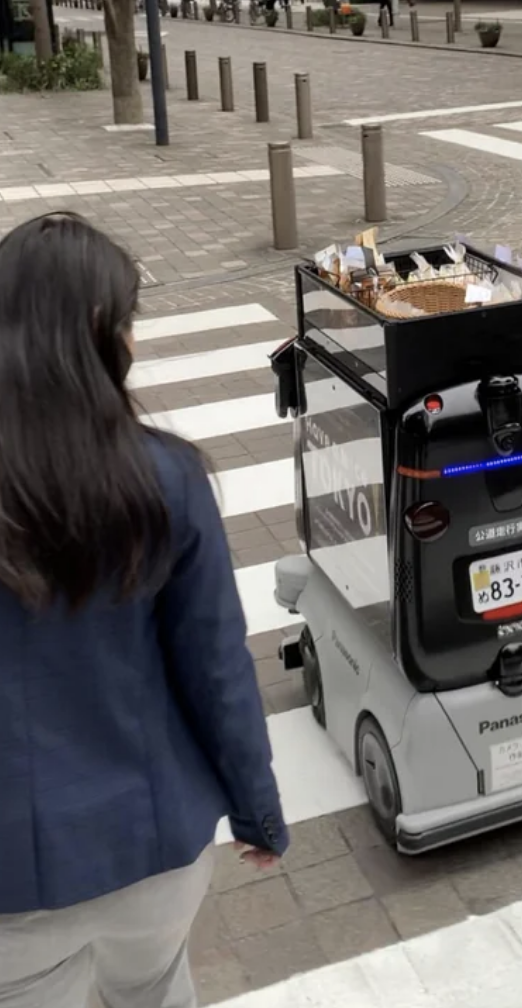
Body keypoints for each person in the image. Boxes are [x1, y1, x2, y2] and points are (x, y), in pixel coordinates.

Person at [0, 213, 288, 1008]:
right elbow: (217, 669)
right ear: (100, 331)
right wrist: (257, 813)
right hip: (154, 843)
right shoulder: (165, 476)